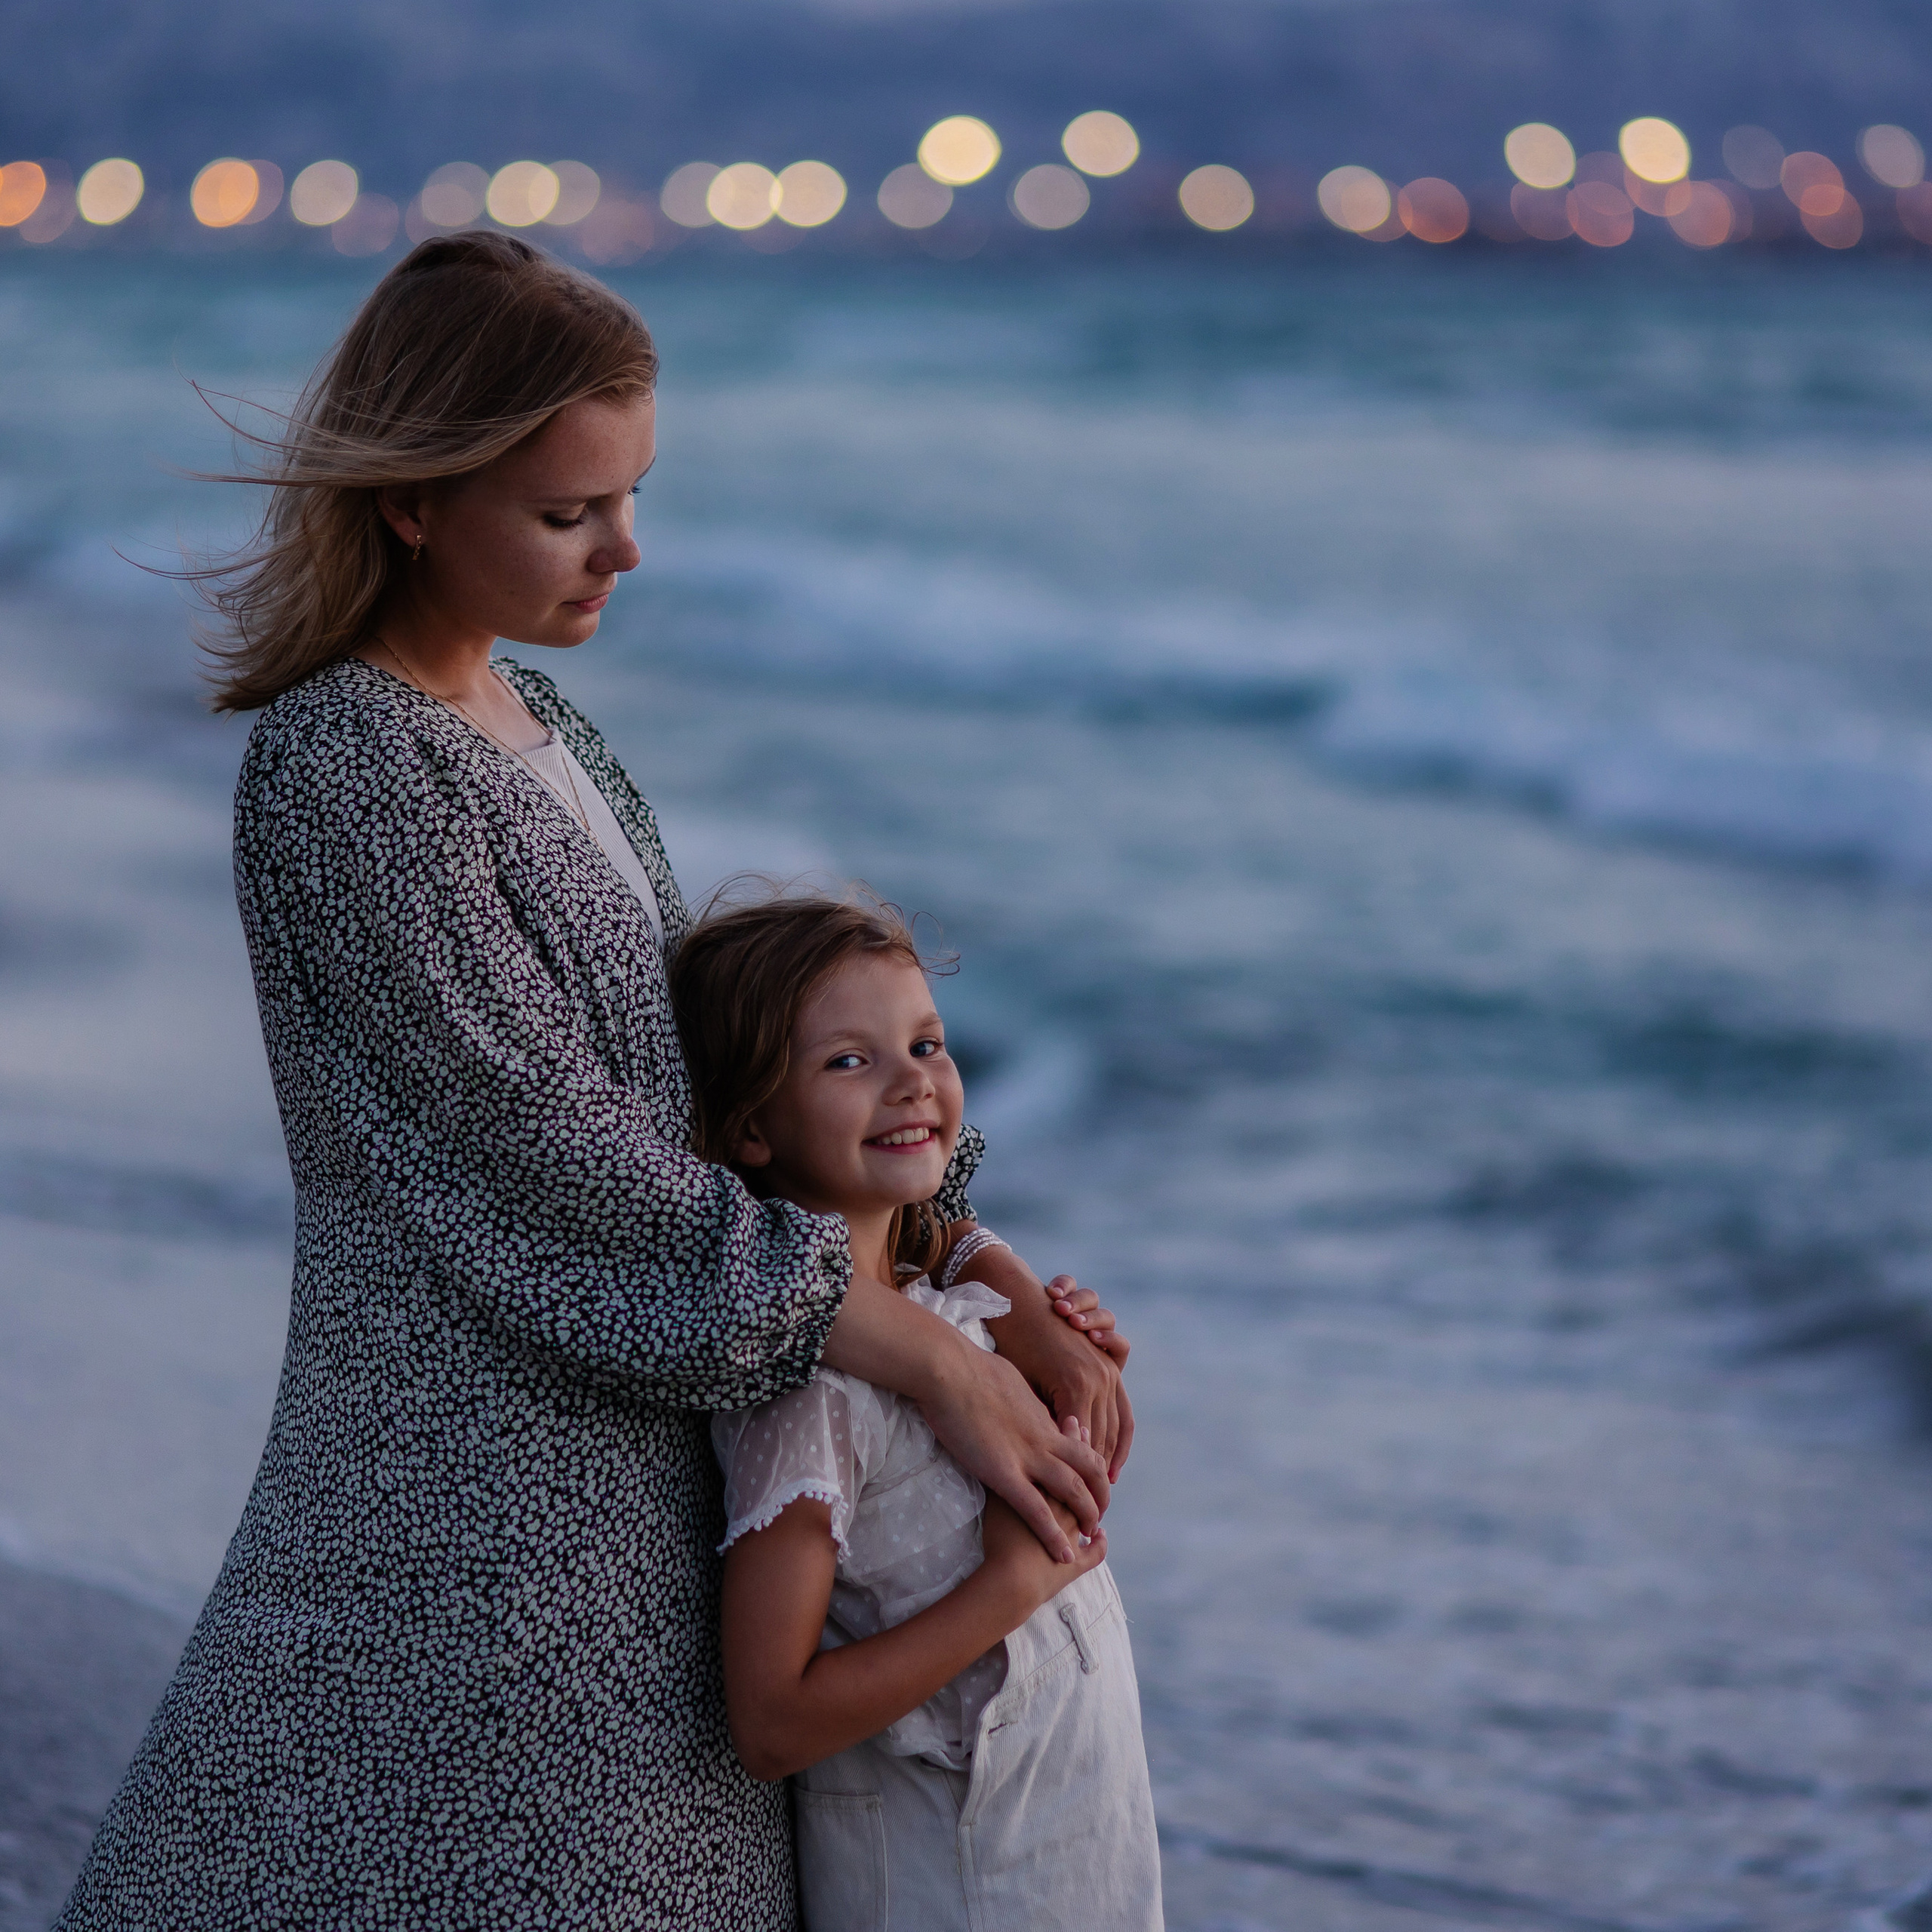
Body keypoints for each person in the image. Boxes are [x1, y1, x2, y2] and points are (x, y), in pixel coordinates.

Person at [56, 231, 1131, 1929]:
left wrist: (971, 1265)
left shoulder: (540, 722)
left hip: (642, 1472)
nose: (626, 546)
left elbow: (717, 1089)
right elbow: (550, 1153)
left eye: (629, 497)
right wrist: (928, 1356)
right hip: (470, 1515)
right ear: (412, 495)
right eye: (571, 512)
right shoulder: (348, 764)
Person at [672, 889, 1162, 1932]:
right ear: (753, 1127)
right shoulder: (806, 1395)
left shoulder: (950, 1312)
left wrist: (1060, 1347)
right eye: (849, 1061)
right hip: (947, 1881)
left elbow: (944, 1240)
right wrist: (1010, 1589)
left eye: (927, 1044)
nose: (913, 1083)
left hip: (1079, 1860)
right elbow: (768, 1720)